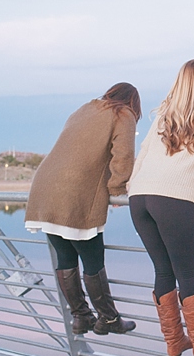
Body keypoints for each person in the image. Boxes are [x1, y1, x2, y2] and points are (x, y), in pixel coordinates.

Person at [128, 59, 194, 356]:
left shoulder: (167, 108)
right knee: (186, 271)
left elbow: (145, 150)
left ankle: (175, 342)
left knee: (163, 270)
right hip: (174, 198)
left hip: (140, 198)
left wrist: (133, 185)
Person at [25, 83, 141, 336]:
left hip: (45, 188)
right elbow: (123, 155)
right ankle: (108, 319)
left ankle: (81, 317)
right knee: (92, 257)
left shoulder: (85, 109)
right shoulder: (123, 113)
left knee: (65, 257)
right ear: (133, 102)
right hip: (76, 192)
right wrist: (118, 189)